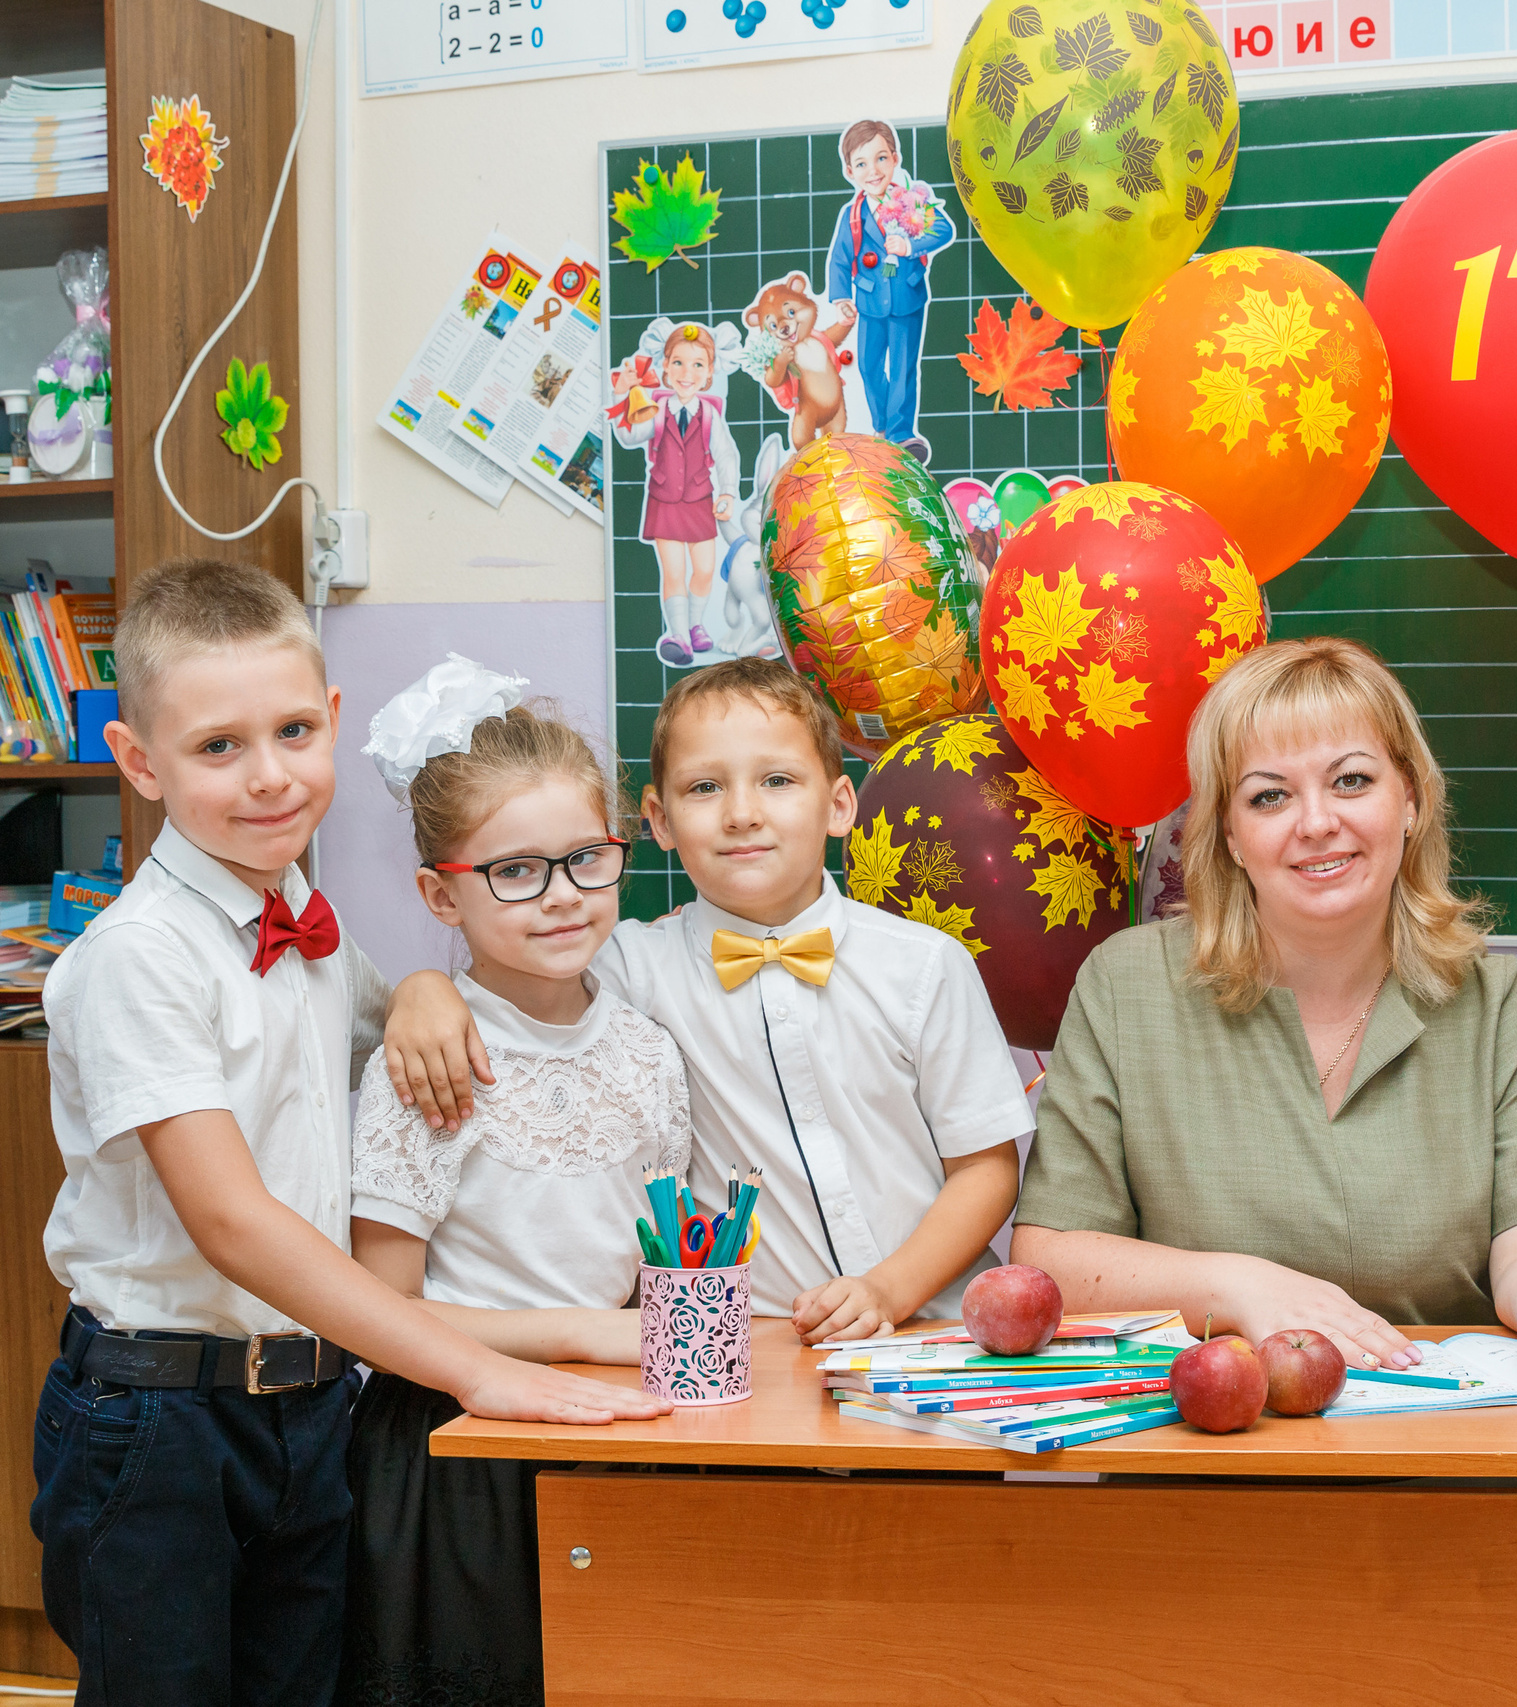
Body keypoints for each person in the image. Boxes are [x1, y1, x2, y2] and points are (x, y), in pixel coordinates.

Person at [35, 563, 661, 1705]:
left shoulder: (308, 931)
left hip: (309, 1410)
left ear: (331, 724)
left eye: (289, 732)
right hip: (161, 1417)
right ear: (139, 762)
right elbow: (229, 1221)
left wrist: (426, 990)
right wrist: (476, 1370)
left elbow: (408, 1022)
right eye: (217, 747)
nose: (268, 776)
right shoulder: (140, 958)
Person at [1012, 637, 1517, 1411]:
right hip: (1199, 1462)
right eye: (1269, 796)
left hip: (1447, 1459)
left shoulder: (1493, 998)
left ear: (1410, 801)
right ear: (1229, 837)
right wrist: (1238, 1287)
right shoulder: (1124, 985)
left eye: (1351, 780)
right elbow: (1052, 1258)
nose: (1317, 821)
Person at [385, 658, 1028, 1345]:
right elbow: (504, 971)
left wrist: (888, 1289)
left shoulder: (925, 965)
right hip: (749, 1351)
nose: (742, 813)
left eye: (777, 780)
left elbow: (985, 1168)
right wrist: (421, 989)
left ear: (840, 803)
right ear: (658, 821)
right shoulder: (621, 967)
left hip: (934, 1335)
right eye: (704, 787)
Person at [338, 661, 694, 1707]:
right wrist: (580, 1336)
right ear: (441, 893)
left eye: (586, 860)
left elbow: (647, 1264)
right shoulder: (429, 1059)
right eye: (515, 873)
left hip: (609, 1430)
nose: (562, 898)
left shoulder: (646, 1052)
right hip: (454, 1449)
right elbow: (382, 1306)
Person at [611, 317, 742, 666]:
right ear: (665, 367)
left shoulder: (712, 413)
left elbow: (726, 454)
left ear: (710, 372)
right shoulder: (654, 407)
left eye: (698, 364)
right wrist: (622, 394)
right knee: (673, 571)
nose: (688, 372)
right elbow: (628, 437)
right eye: (679, 362)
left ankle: (696, 624)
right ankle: (679, 635)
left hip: (699, 499)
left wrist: (727, 491)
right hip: (664, 499)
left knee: (703, 570)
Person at [823, 119, 954, 464]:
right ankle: (881, 424)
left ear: (895, 158)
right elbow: (840, 257)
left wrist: (910, 246)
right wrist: (840, 298)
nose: (873, 170)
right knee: (867, 366)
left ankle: (900, 435)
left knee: (903, 368)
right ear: (850, 171)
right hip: (868, 300)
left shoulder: (912, 200)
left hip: (907, 298)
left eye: (881, 158)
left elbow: (942, 229)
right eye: (862, 164)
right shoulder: (852, 214)